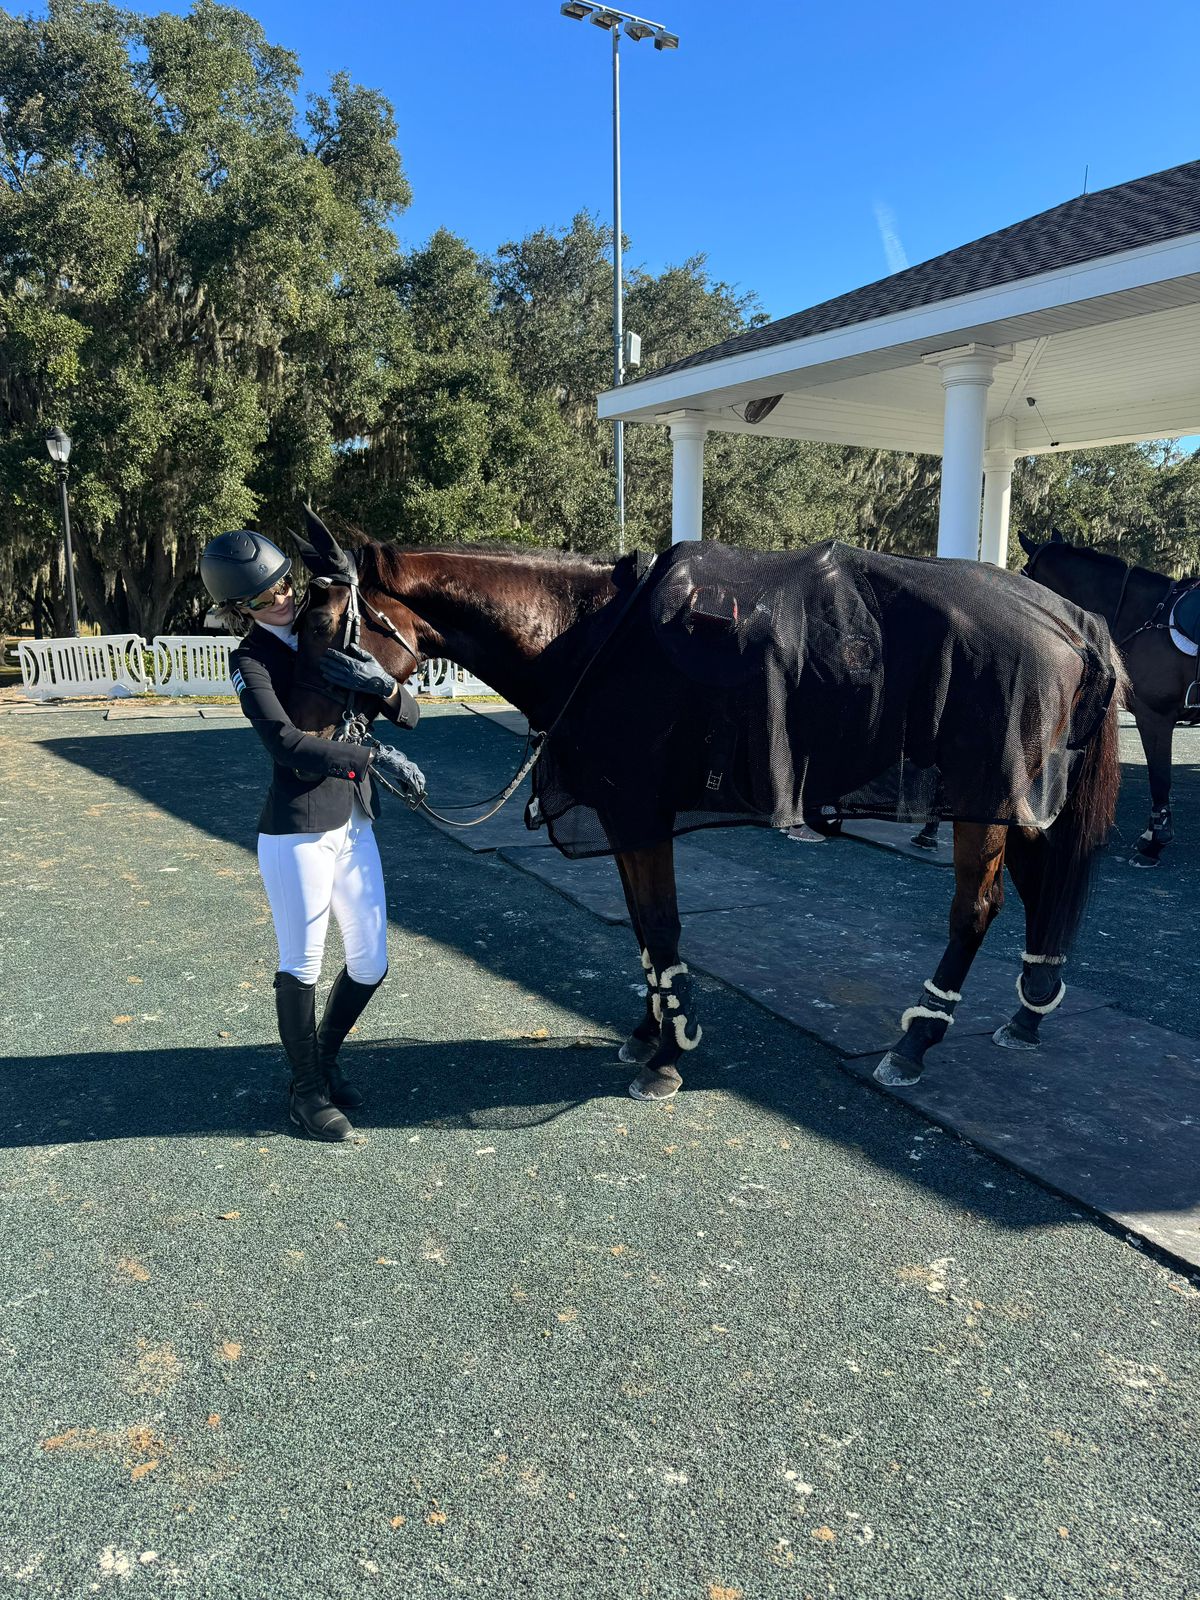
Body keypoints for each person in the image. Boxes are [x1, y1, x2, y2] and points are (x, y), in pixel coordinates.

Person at [200, 528, 426, 1143]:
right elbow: (284, 743)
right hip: (297, 827)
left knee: (371, 960)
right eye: (261, 598)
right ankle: (304, 1092)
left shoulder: (325, 629)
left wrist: (384, 685)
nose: (279, 600)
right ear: (238, 609)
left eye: (282, 586)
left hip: (354, 820)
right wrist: (368, 759)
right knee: (302, 962)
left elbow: (409, 715)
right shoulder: (250, 660)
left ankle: (324, 1059)